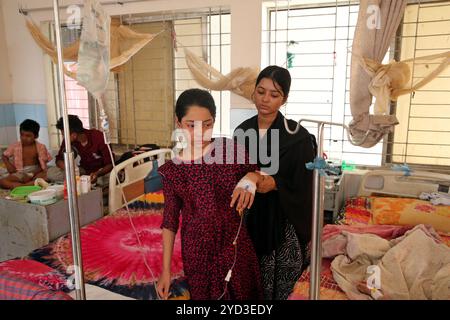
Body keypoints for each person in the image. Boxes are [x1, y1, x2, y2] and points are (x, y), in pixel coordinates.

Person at [156, 88, 263, 300]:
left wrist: (253, 177)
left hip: (234, 244)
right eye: (191, 125)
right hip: (197, 252)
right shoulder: (173, 170)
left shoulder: (230, 150)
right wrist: (165, 271)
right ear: (178, 123)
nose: (200, 132)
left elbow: (257, 174)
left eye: (207, 124)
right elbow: (169, 222)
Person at [234, 66, 316, 300]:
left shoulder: (298, 137)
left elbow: (304, 182)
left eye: (274, 94)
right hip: (250, 216)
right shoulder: (243, 131)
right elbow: (236, 173)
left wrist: (275, 183)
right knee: (248, 282)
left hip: (284, 219)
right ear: (254, 93)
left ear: (284, 99)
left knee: (281, 287)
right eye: (261, 92)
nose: (265, 99)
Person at [47, 115, 114, 187]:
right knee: (51, 173)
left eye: (64, 135)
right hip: (83, 171)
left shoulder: (99, 137)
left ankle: (95, 183)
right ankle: (84, 182)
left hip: (101, 171)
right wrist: (68, 169)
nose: (63, 137)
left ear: (74, 135)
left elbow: (110, 164)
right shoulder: (68, 141)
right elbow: (59, 159)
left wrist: (97, 174)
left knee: (112, 177)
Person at [0, 119, 52, 189]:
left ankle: (23, 186)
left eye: (28, 136)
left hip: (35, 172)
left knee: (48, 176)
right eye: (22, 135)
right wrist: (10, 166)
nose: (24, 138)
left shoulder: (41, 147)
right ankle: (29, 184)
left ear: (36, 136)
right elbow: (4, 156)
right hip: (20, 172)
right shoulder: (15, 146)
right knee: (2, 181)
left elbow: (42, 166)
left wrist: (32, 174)